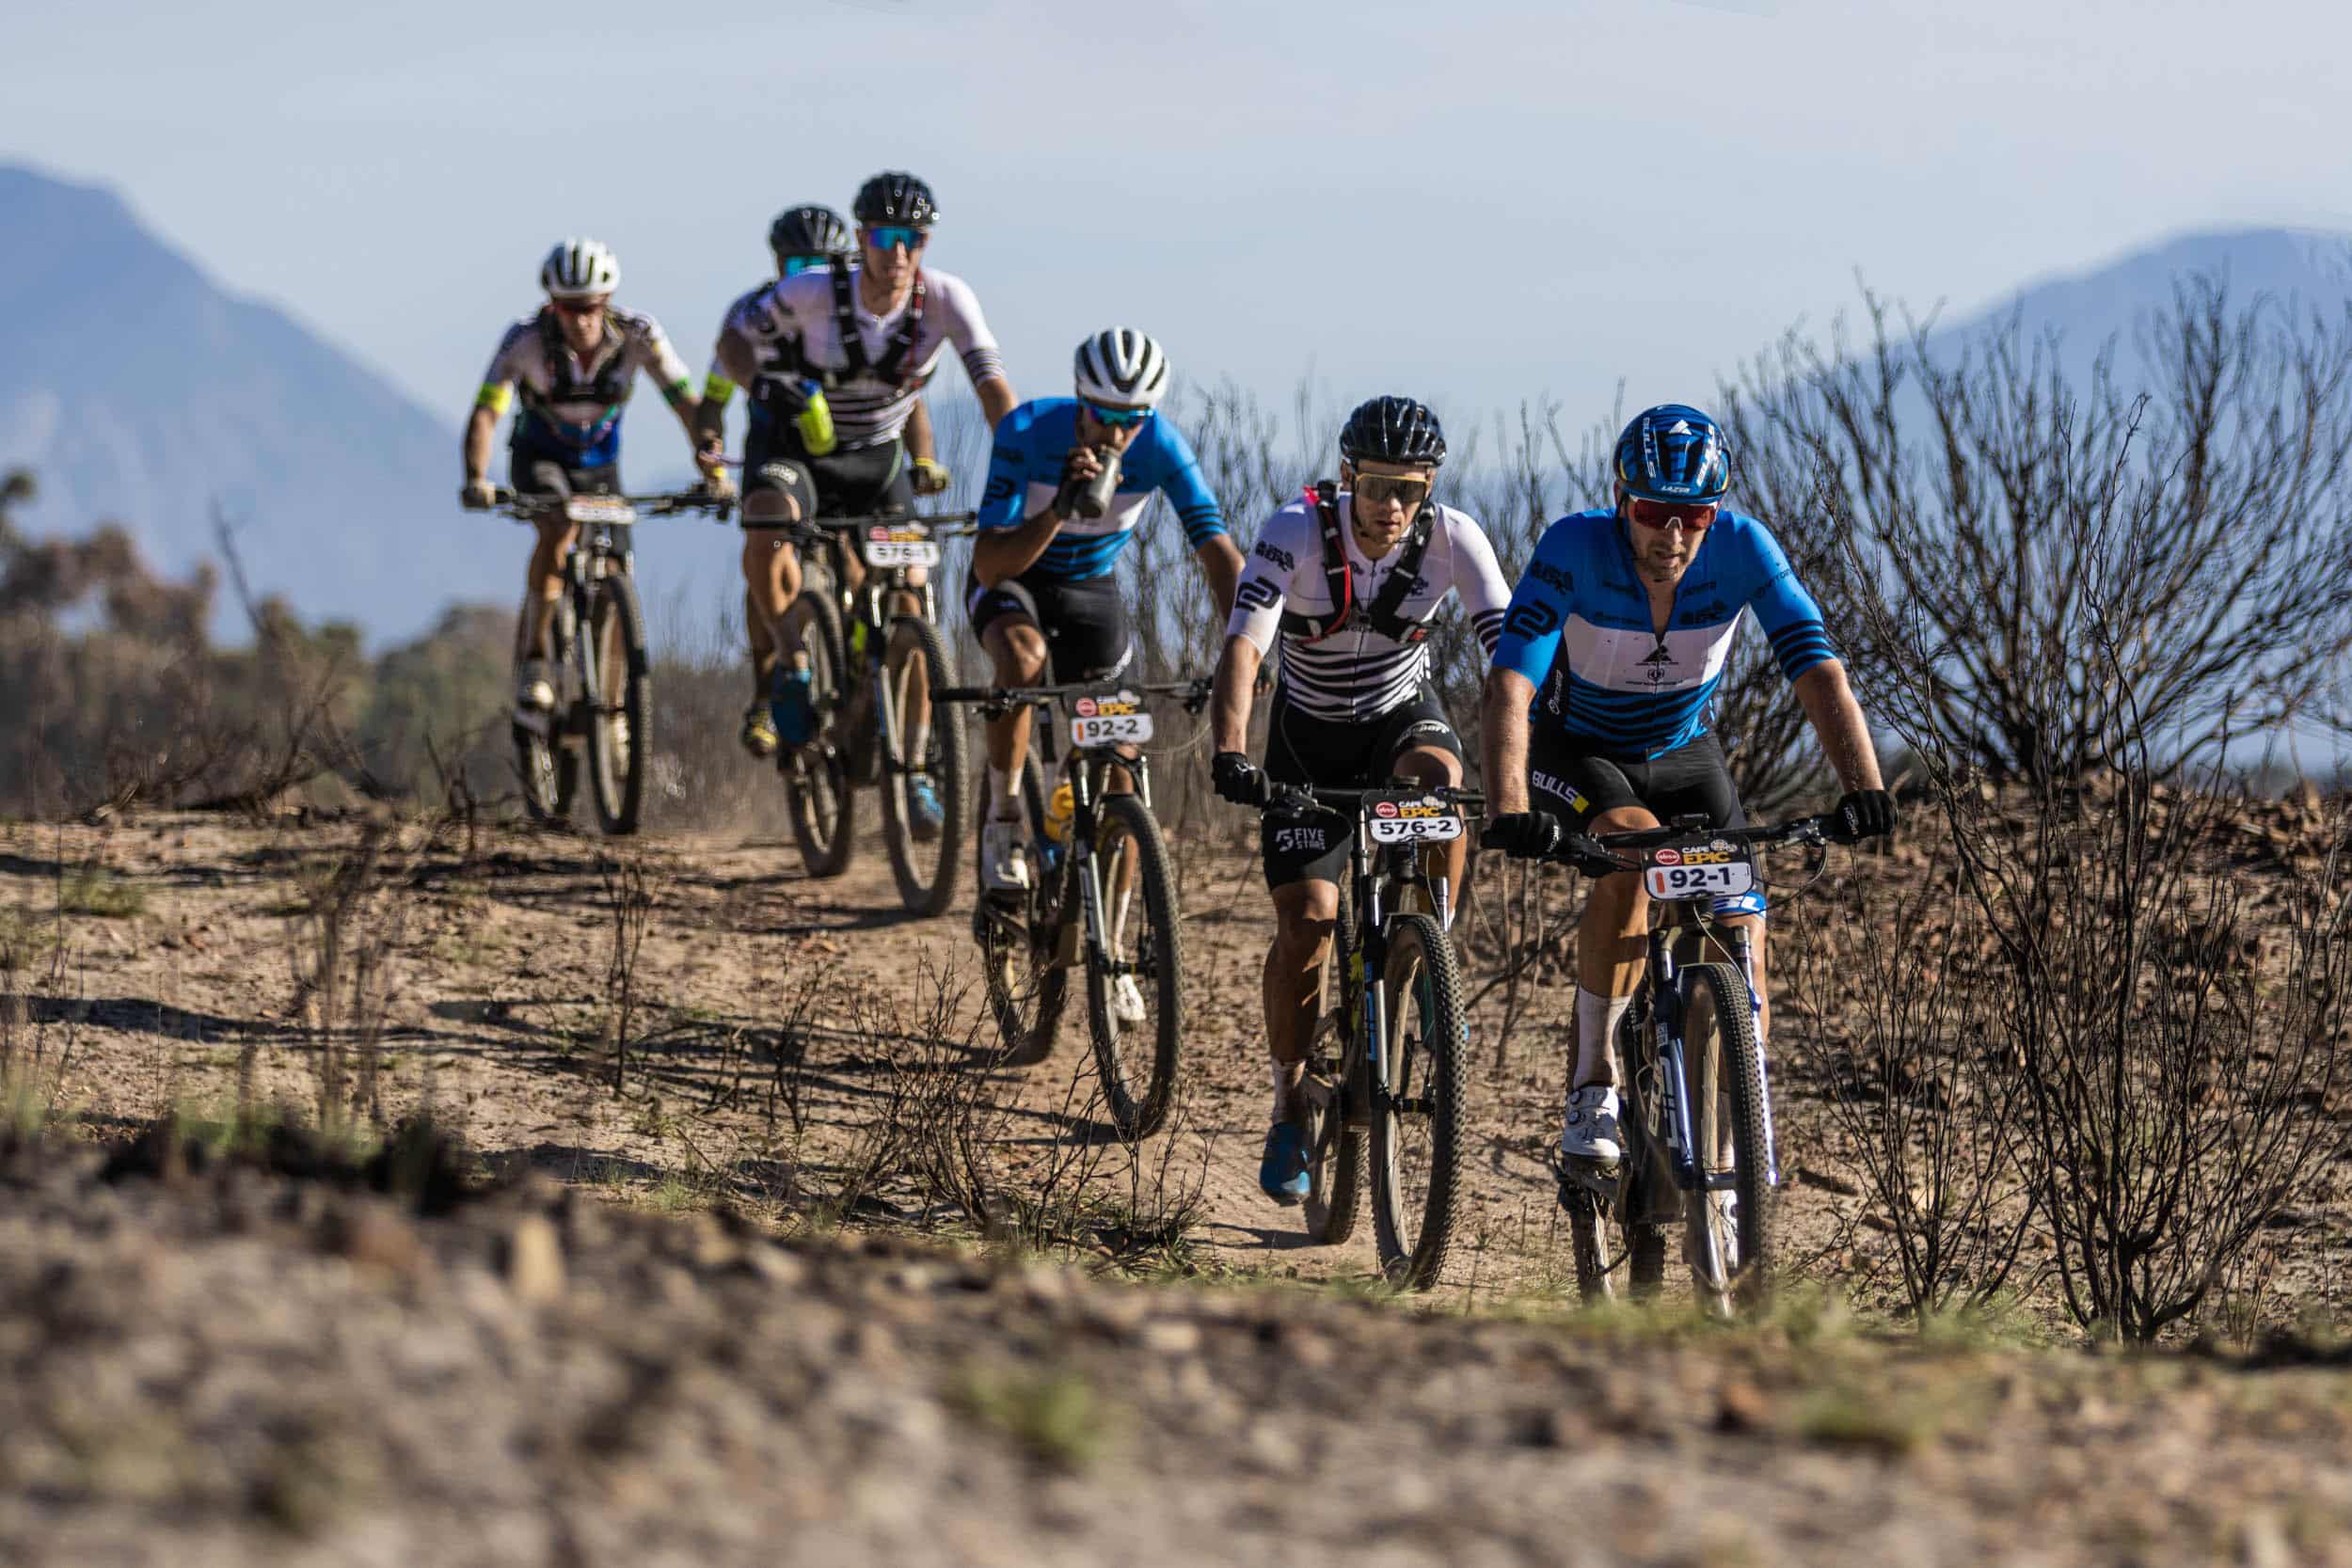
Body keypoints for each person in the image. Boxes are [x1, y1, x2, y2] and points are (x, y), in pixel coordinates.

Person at [1479, 403, 1896, 1168]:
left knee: (1742, 914)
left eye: (1694, 516)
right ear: (1620, 499)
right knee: (1635, 857)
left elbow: (1816, 667)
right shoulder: (1573, 547)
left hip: (1683, 750)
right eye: (1652, 513)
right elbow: (1510, 685)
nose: (1672, 536)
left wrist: (1863, 787)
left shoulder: (1741, 550)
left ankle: (1741, 1106)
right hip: (1579, 750)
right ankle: (1592, 1084)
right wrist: (1508, 808)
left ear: (1716, 513)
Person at [1206, 395, 1510, 1205]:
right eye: (1376, 486)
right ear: (1347, 477)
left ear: (1429, 487)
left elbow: (1510, 660)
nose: (1390, 506)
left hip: (1400, 719)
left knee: (1439, 786)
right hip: (1308, 737)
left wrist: (1526, 774)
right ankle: (1287, 1104)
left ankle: (1429, 957)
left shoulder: (1455, 538)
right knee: (1306, 920)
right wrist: (1231, 749)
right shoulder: (1294, 530)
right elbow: (1243, 645)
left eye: (1408, 489)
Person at [706, 172, 1014, 840]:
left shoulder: (948, 300)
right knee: (766, 523)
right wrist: (761, 384)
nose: (897, 253)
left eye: (912, 239)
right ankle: (791, 660)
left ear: (925, 243)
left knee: (911, 590)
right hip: (801, 451)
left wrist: (1023, 463)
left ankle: (919, 761)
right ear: (861, 238)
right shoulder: (813, 291)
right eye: (883, 237)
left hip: (877, 461)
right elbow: (730, 343)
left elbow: (992, 387)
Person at [968, 328, 1240, 907]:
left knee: (1120, 763)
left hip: (1091, 588)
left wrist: (1248, 648)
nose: (1116, 432)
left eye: (1133, 418)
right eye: (1101, 415)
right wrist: (1056, 510)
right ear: (1078, 401)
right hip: (1016, 578)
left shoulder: (1161, 445)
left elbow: (1218, 552)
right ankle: (1003, 817)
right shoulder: (1027, 430)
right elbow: (989, 566)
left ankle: (1113, 949)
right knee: (1022, 659)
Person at [461, 238, 716, 717]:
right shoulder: (524, 340)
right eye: (568, 308)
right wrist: (476, 476)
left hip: (601, 467)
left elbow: (687, 404)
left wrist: (712, 469)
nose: (580, 320)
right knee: (558, 527)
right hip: (541, 458)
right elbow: (485, 415)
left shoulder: (640, 334)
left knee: (618, 571)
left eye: (591, 307)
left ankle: (616, 708)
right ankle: (537, 658)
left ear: (608, 302)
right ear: (551, 305)